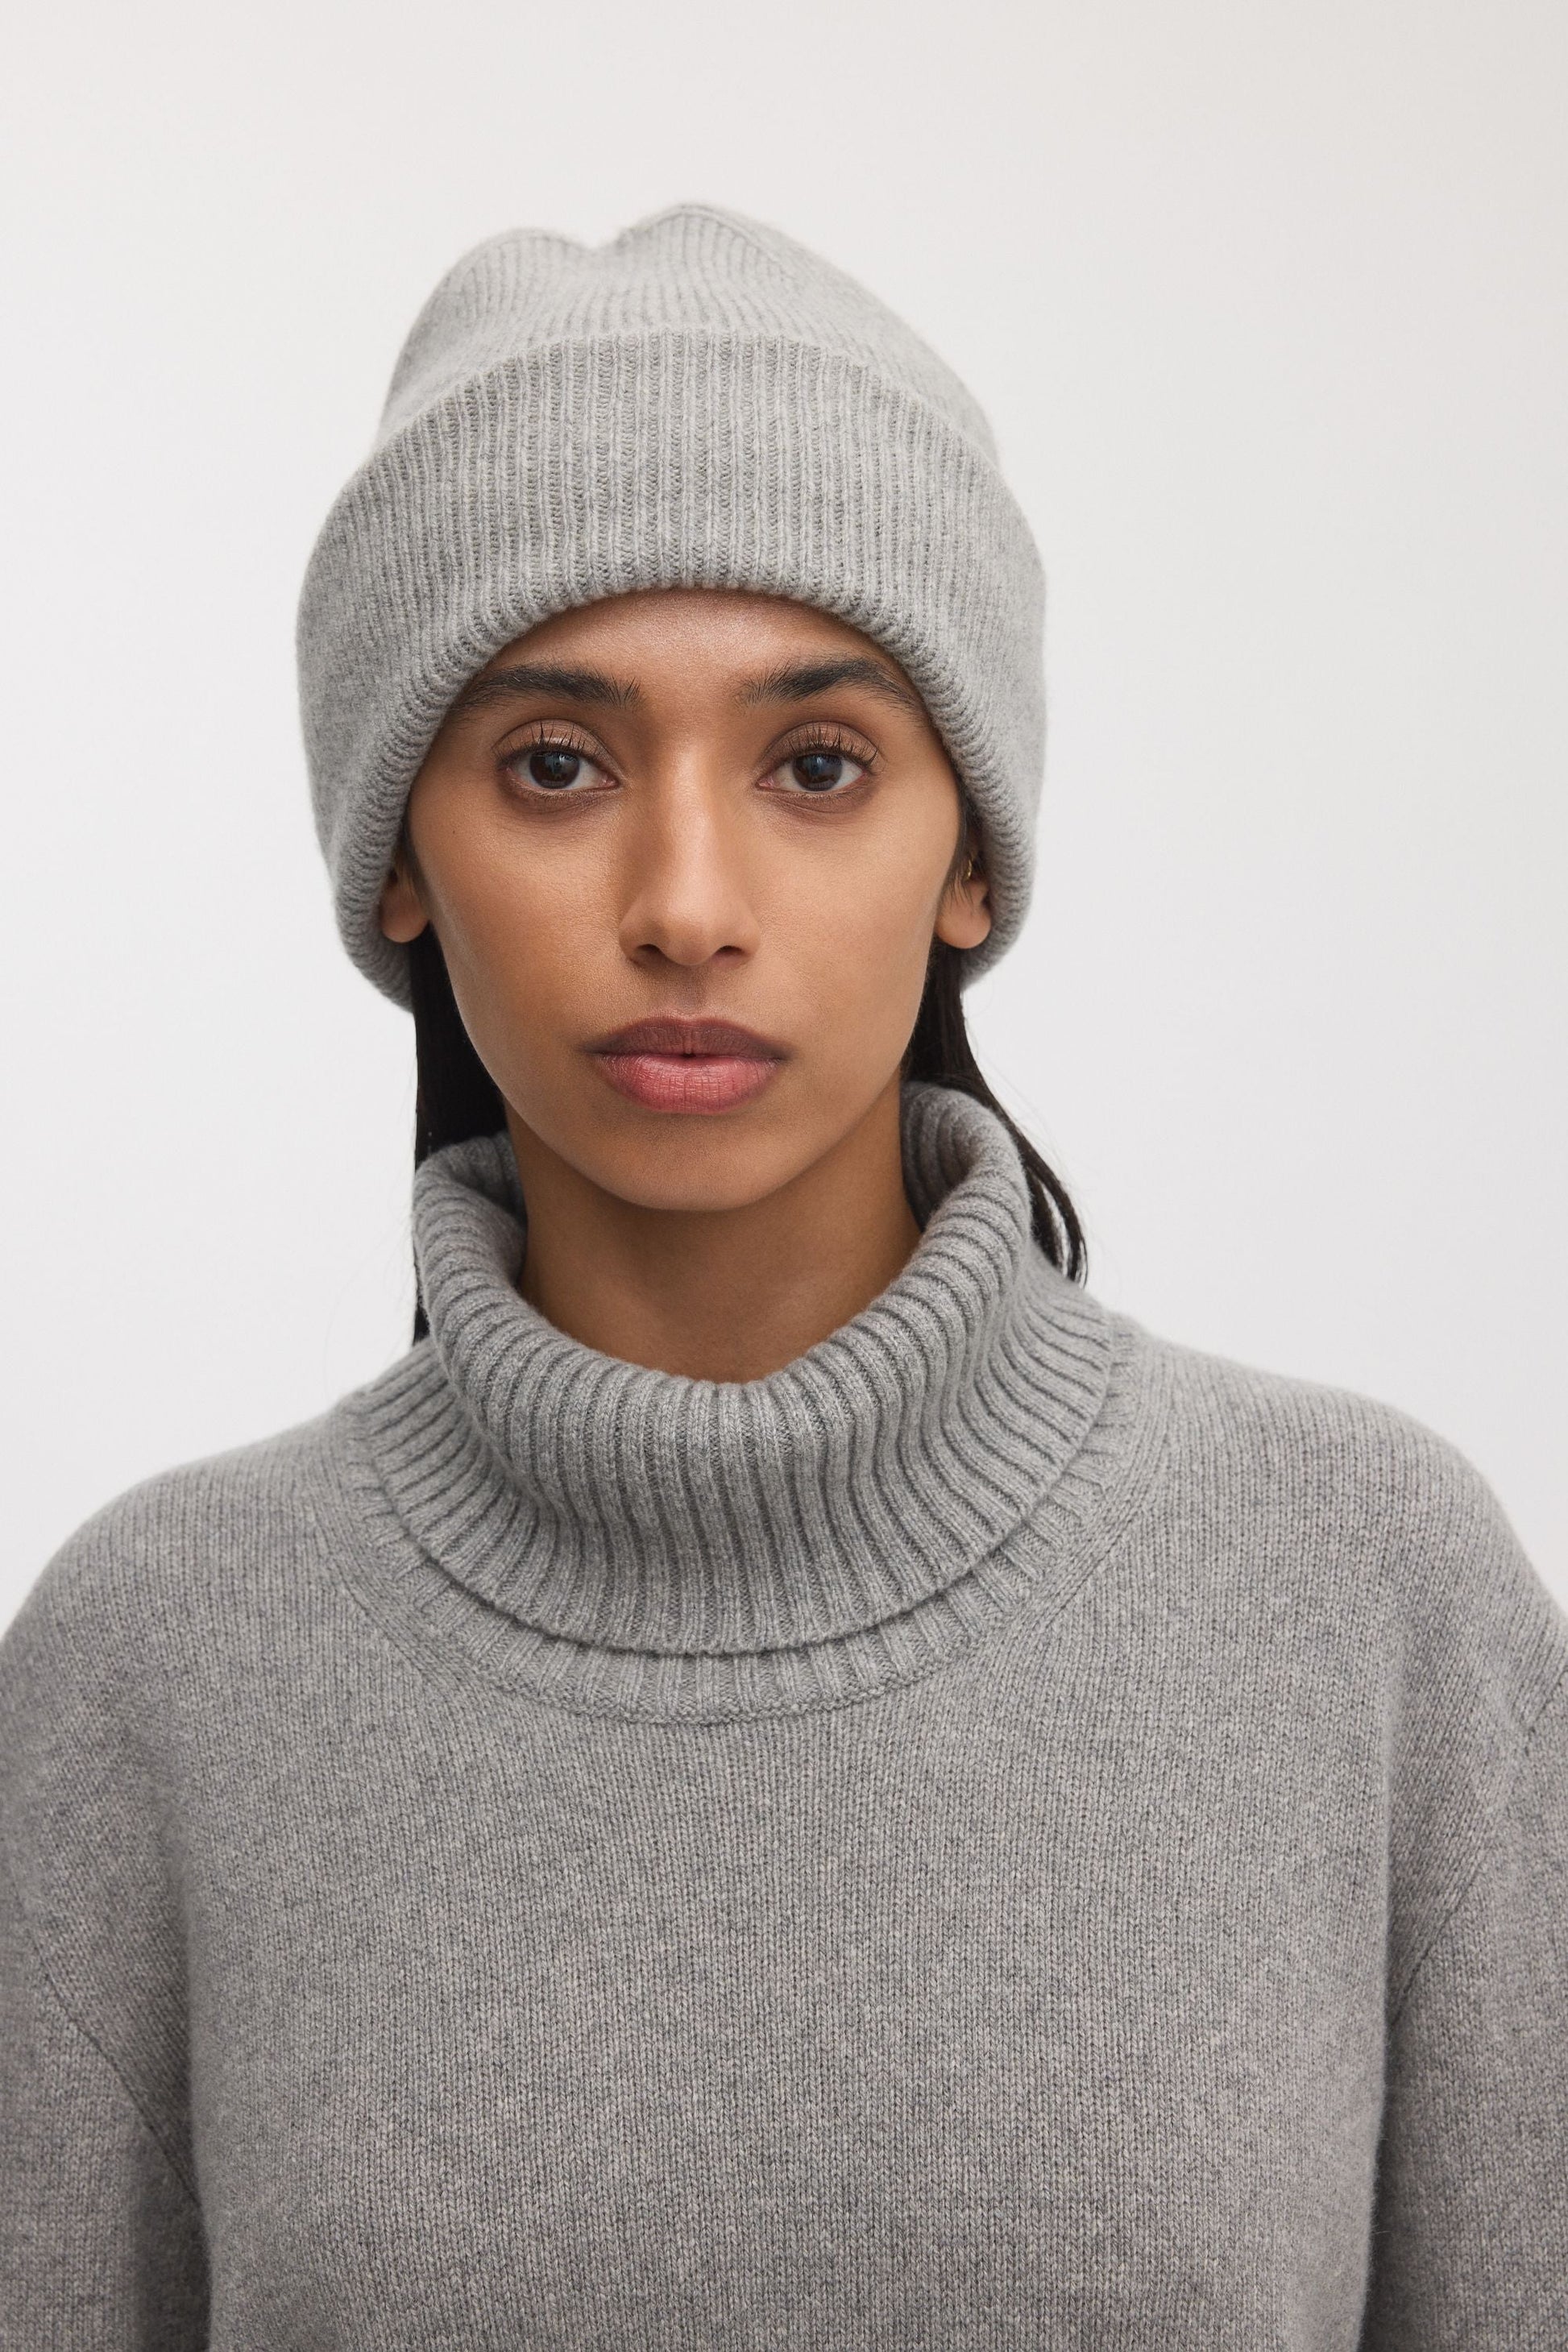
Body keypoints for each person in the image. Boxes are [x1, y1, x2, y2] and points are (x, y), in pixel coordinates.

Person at [2, 202, 1564, 2350]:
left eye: (817, 766)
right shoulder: (151, 1667)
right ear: (397, 862)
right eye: (555, 766)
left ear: (970, 850)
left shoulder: (1372, 1597)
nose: (687, 901)